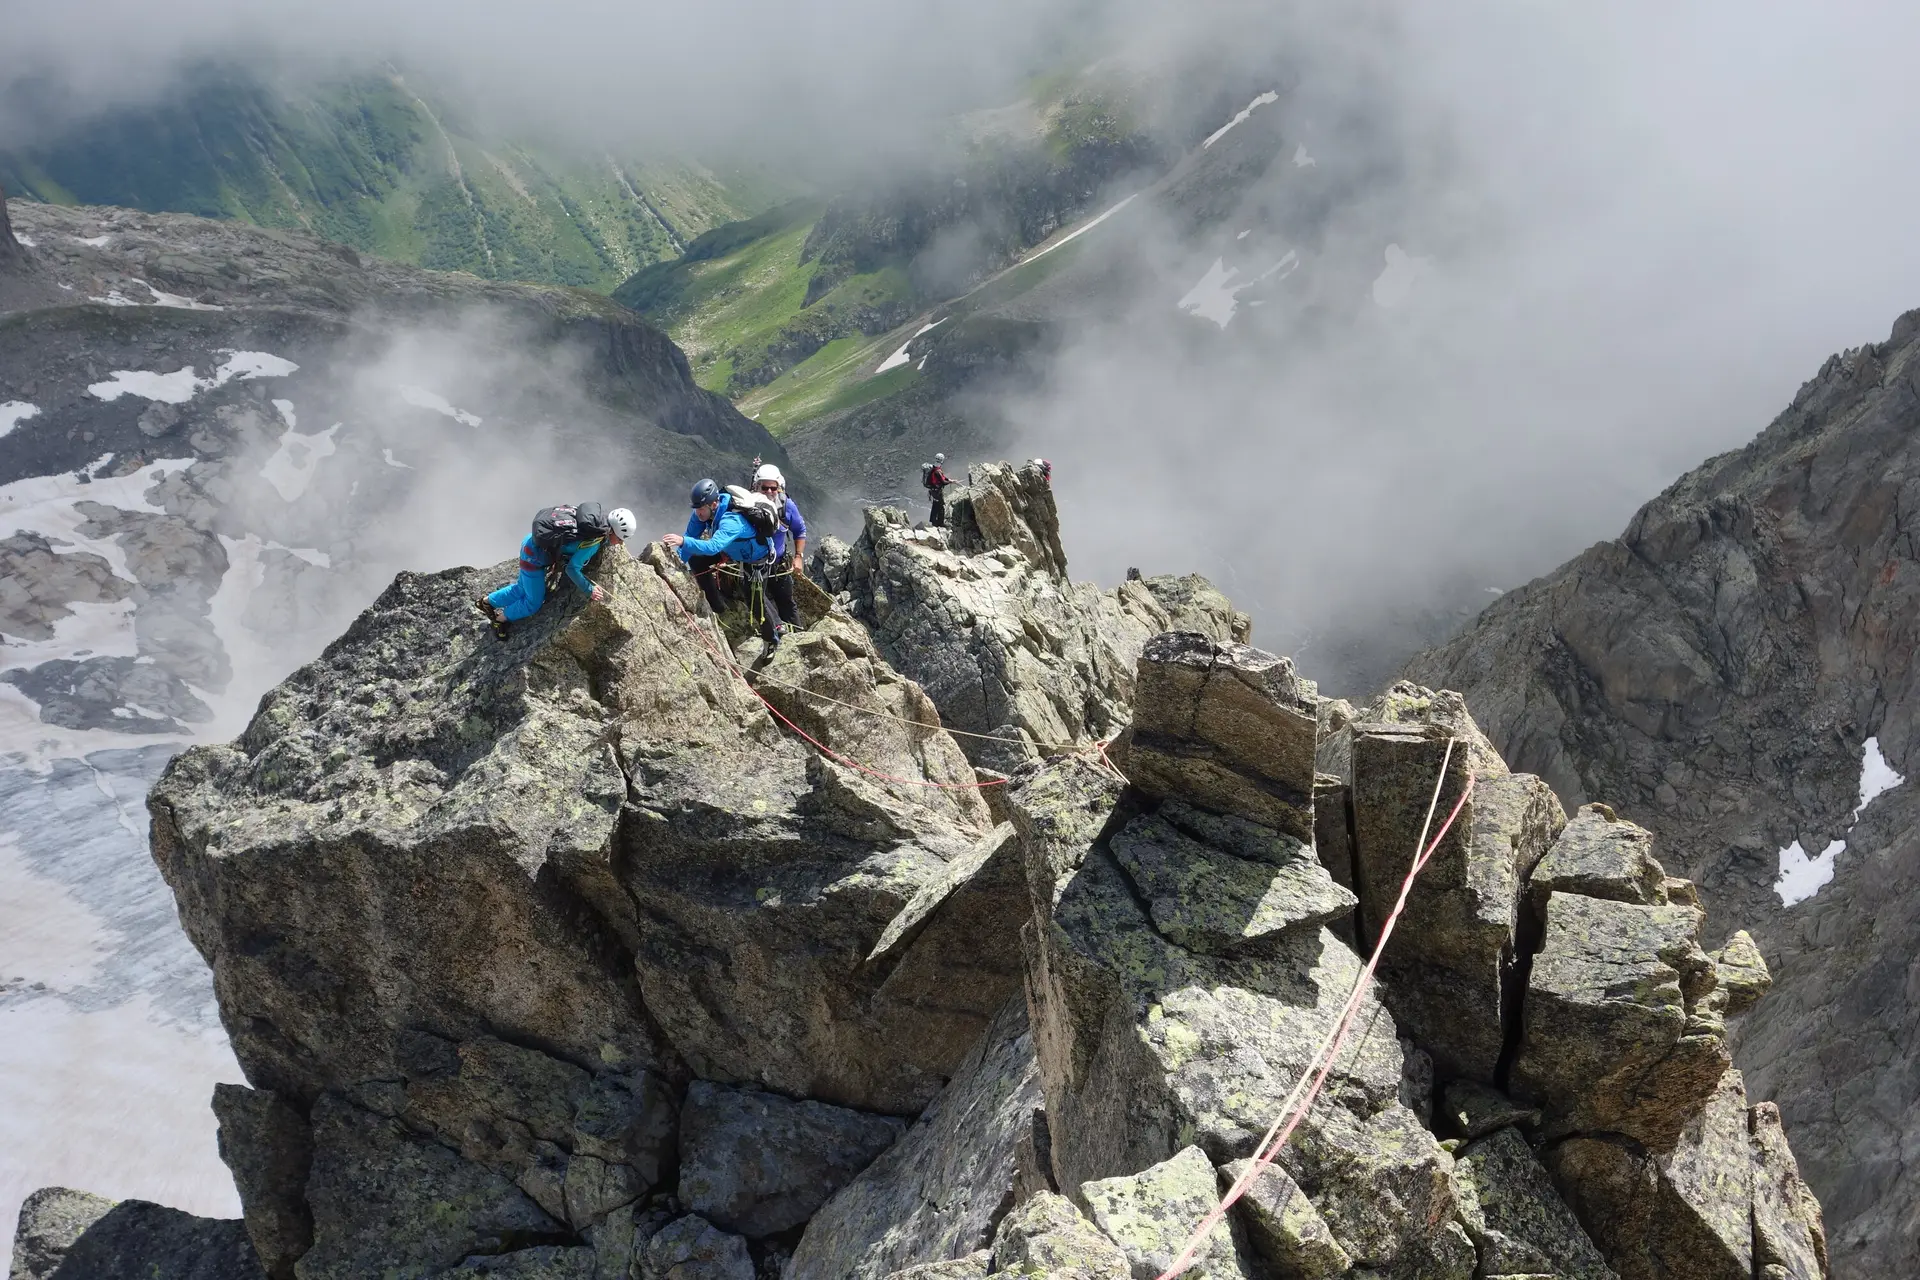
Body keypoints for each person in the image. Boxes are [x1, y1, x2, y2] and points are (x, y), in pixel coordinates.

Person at [665, 478, 795, 646]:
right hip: (732, 549)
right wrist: (677, 565)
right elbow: (691, 537)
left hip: (756, 557)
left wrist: (682, 541)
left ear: (713, 504)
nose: (698, 513)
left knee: (755, 601)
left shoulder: (732, 520)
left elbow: (712, 546)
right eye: (696, 509)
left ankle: (772, 639)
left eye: (701, 509)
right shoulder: (703, 513)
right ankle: (717, 607)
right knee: (697, 561)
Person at [477, 503, 636, 639]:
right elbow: (572, 569)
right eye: (621, 539)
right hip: (533, 559)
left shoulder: (594, 521)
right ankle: (500, 619)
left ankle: (487, 602)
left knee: (522, 588)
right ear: (612, 532)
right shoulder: (594, 541)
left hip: (531, 545)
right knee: (533, 603)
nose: (620, 544)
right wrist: (590, 589)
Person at [922, 452, 952, 527]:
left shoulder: (933, 467)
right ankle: (940, 523)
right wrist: (950, 482)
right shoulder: (937, 470)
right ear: (942, 460)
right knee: (941, 507)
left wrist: (949, 479)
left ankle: (933, 522)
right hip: (937, 492)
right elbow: (943, 482)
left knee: (935, 506)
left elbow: (942, 478)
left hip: (933, 491)